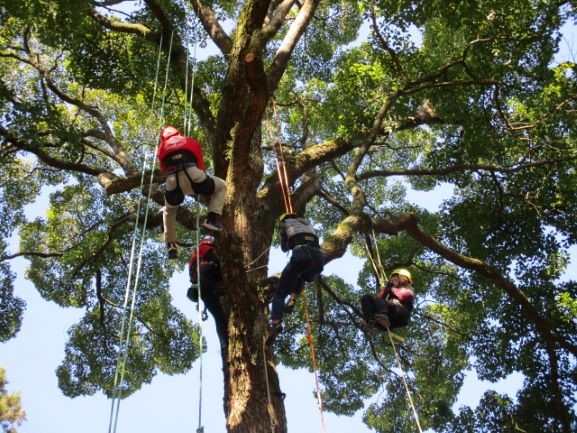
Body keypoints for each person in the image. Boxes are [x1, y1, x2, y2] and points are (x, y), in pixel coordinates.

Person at [157, 125, 227, 259]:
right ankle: (211, 220)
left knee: (169, 210)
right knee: (221, 186)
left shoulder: (161, 149)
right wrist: (201, 179)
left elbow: (163, 167)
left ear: (163, 136)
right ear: (177, 132)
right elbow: (199, 160)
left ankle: (170, 243)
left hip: (172, 181)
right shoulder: (188, 140)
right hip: (193, 174)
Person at [270, 213, 324, 336]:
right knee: (300, 274)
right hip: (318, 261)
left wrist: (284, 233)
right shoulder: (308, 224)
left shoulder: (285, 224)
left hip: (301, 254)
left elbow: (284, 248)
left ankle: (276, 322)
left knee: (279, 294)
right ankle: (293, 297)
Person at [187, 234, 228, 346]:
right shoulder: (203, 246)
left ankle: (225, 343)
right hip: (207, 274)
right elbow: (214, 258)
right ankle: (219, 288)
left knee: (219, 317)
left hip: (203, 289)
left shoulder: (193, 259)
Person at [360, 268, 415, 334]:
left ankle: (383, 317)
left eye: (396, 277)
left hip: (399, 315)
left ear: (403, 278)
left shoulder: (408, 289)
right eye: (392, 278)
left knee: (390, 301)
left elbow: (404, 296)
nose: (393, 279)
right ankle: (371, 323)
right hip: (389, 320)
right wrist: (385, 290)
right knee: (366, 298)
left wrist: (391, 289)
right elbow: (378, 299)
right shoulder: (390, 289)